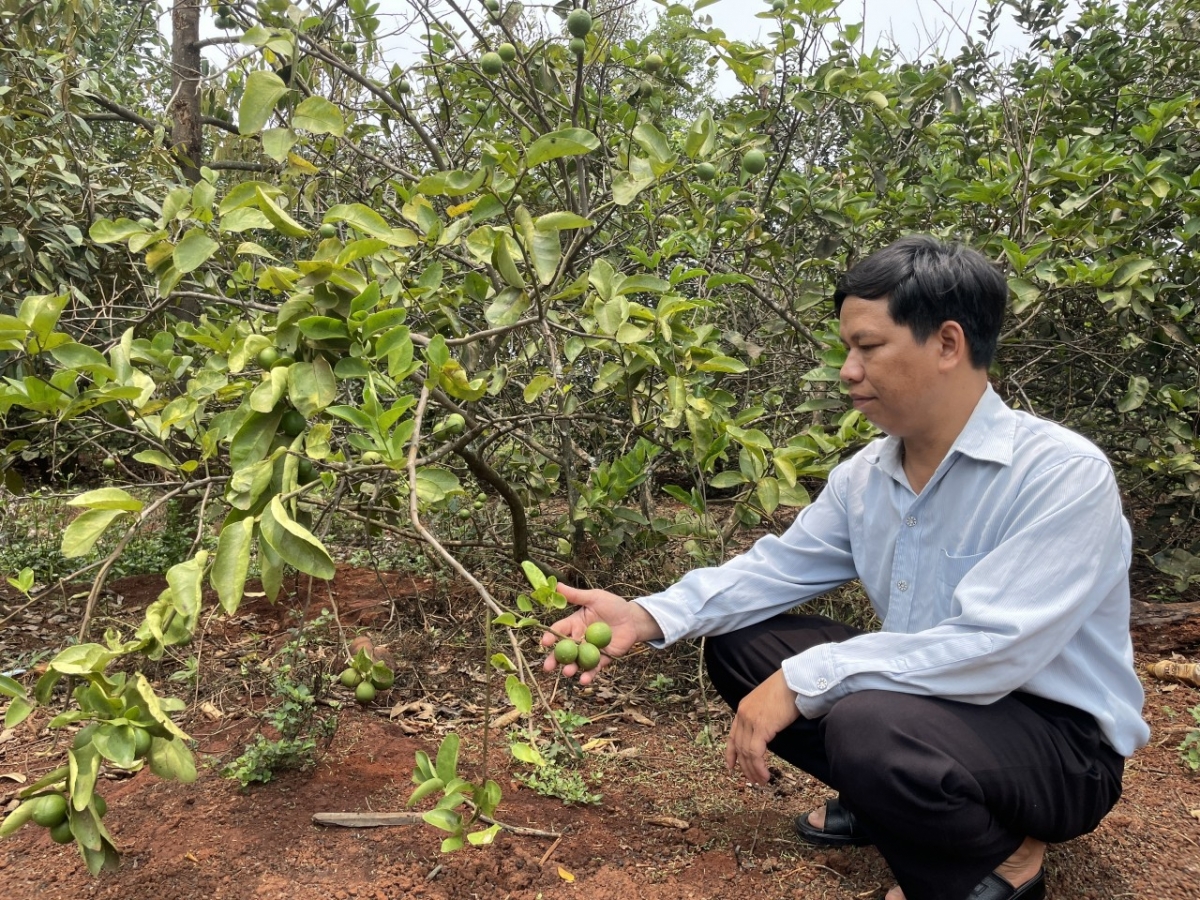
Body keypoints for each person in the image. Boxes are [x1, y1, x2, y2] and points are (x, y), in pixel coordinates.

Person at [541, 235, 1149, 900]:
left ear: (947, 344)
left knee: (866, 722)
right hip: (930, 706)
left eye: (868, 347)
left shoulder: (1060, 475)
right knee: (743, 646)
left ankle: (998, 858)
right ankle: (891, 798)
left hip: (1058, 746)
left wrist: (806, 678)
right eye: (847, 350)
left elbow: (993, 650)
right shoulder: (867, 475)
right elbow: (775, 570)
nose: (848, 371)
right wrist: (645, 613)